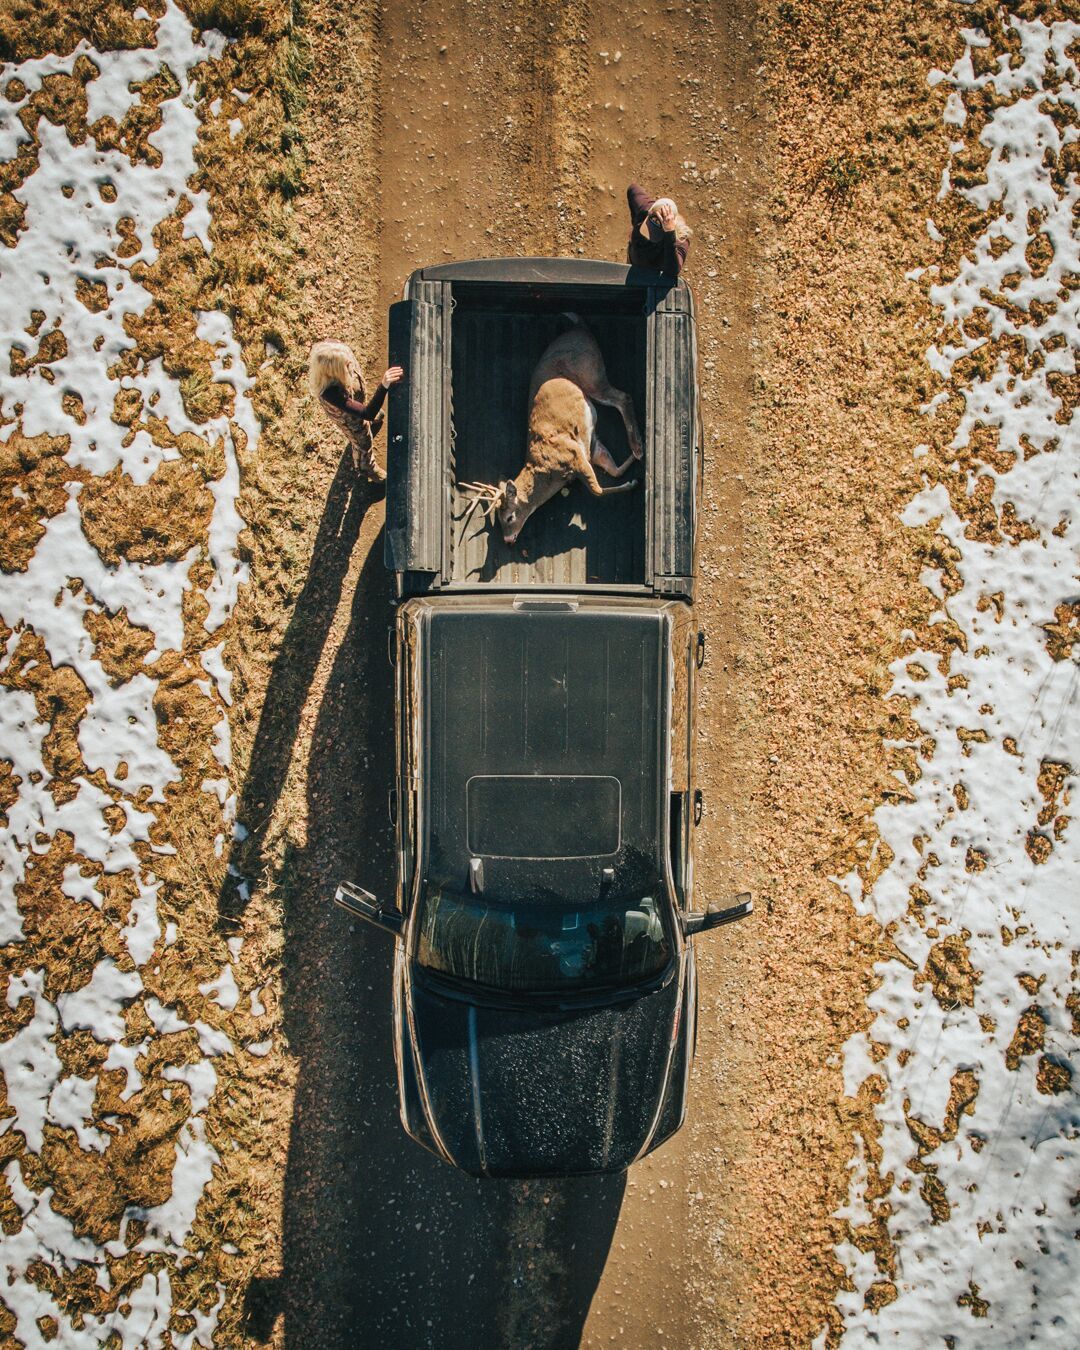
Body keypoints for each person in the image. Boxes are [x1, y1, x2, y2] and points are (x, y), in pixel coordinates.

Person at [308, 338, 404, 483]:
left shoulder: (337, 350)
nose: (350, 365)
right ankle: (367, 468)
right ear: (332, 372)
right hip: (351, 420)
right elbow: (368, 414)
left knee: (366, 411)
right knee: (363, 442)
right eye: (345, 366)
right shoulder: (331, 394)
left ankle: (360, 409)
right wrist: (384, 385)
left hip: (357, 404)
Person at [625, 183, 691, 276]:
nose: (648, 238)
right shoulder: (645, 209)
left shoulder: (680, 239)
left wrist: (669, 234)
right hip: (632, 265)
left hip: (652, 278)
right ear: (649, 213)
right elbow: (632, 189)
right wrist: (635, 218)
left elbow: (672, 270)